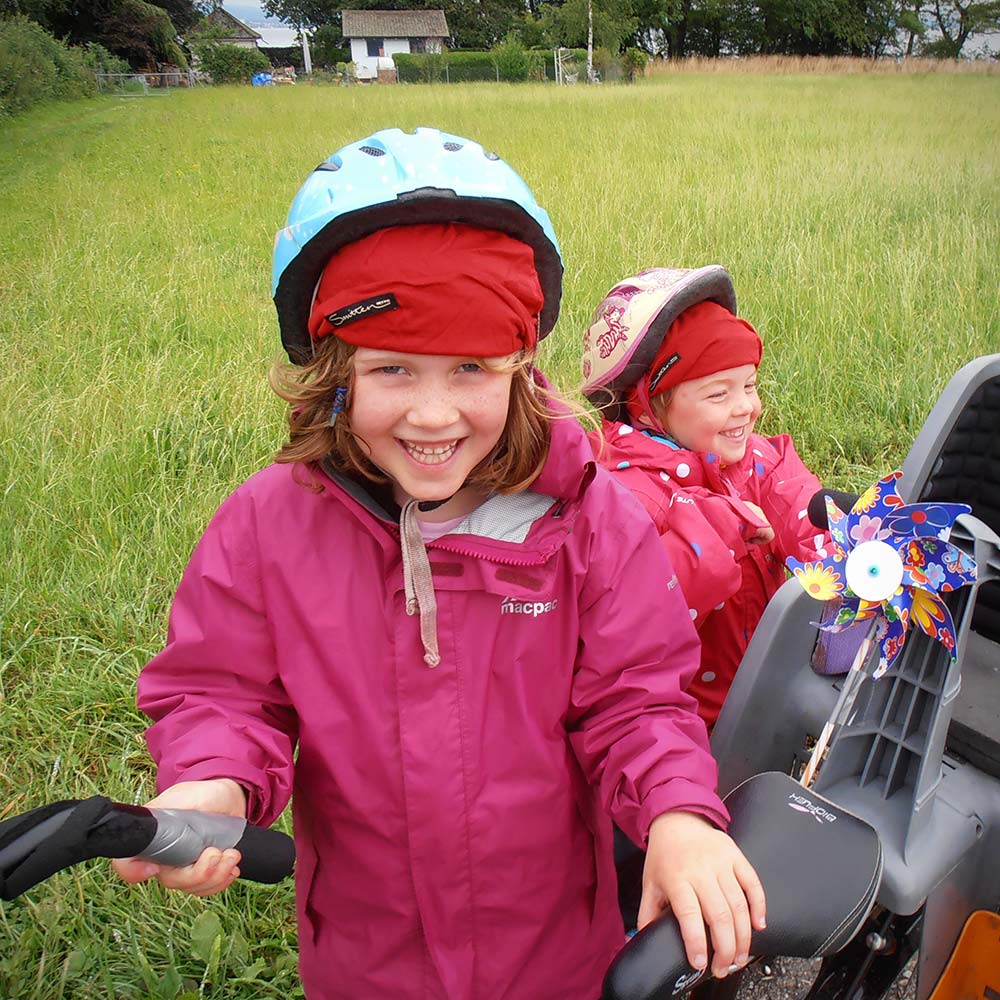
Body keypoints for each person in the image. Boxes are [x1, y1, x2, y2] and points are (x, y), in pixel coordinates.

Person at [112, 130, 765, 999]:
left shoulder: (589, 519)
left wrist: (680, 816)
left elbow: (637, 699)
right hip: (366, 961)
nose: (431, 414)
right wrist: (214, 781)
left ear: (520, 367)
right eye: (392, 369)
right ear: (336, 371)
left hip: (555, 955)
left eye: (469, 368)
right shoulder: (268, 526)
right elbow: (223, 692)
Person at [581, 266, 830, 730]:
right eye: (719, 394)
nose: (746, 407)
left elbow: (797, 502)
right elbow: (639, 614)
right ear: (649, 405)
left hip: (771, 683)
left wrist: (841, 539)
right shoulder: (628, 498)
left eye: (750, 385)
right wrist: (715, 534)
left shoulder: (756, 458)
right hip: (687, 723)